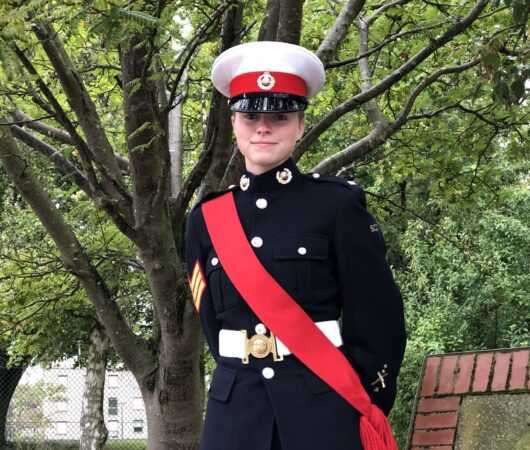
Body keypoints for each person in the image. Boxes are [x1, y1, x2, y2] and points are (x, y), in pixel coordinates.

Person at [186, 41, 406, 450]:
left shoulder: (337, 205)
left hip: (324, 411)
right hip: (233, 418)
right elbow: (213, 327)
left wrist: (361, 403)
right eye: (250, 115)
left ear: (300, 125)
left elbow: (379, 318)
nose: (263, 127)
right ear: (234, 123)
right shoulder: (205, 220)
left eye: (280, 116)